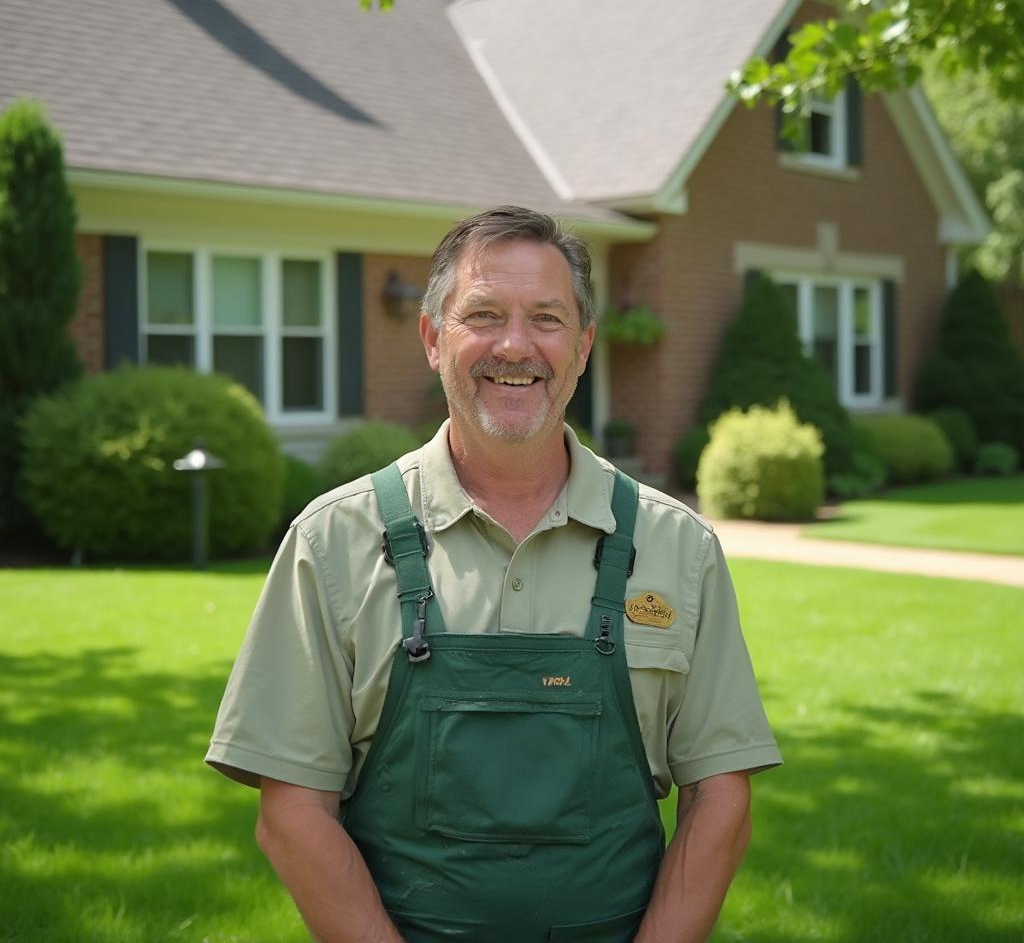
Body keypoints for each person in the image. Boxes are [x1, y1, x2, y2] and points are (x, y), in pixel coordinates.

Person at [206, 205, 782, 943]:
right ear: (432, 338)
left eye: (546, 318)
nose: (516, 345)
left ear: (582, 345)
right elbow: (290, 813)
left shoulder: (678, 547)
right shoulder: (336, 541)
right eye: (483, 314)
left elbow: (721, 797)